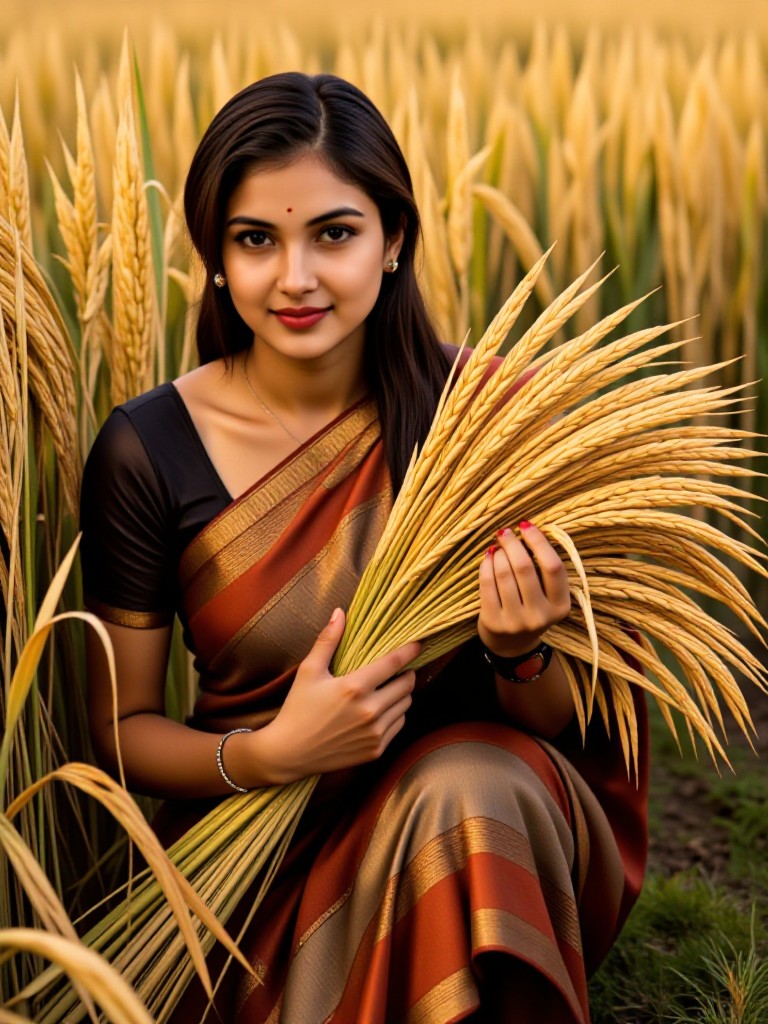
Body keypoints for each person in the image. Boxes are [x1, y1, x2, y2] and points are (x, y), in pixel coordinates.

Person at [79, 72, 648, 1024]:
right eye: (256, 239)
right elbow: (121, 730)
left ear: (393, 243)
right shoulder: (148, 447)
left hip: (495, 823)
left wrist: (521, 650)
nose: (295, 277)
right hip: (257, 849)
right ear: (215, 258)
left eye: (333, 234)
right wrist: (270, 756)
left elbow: (573, 721)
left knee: (463, 784)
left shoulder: (487, 422)